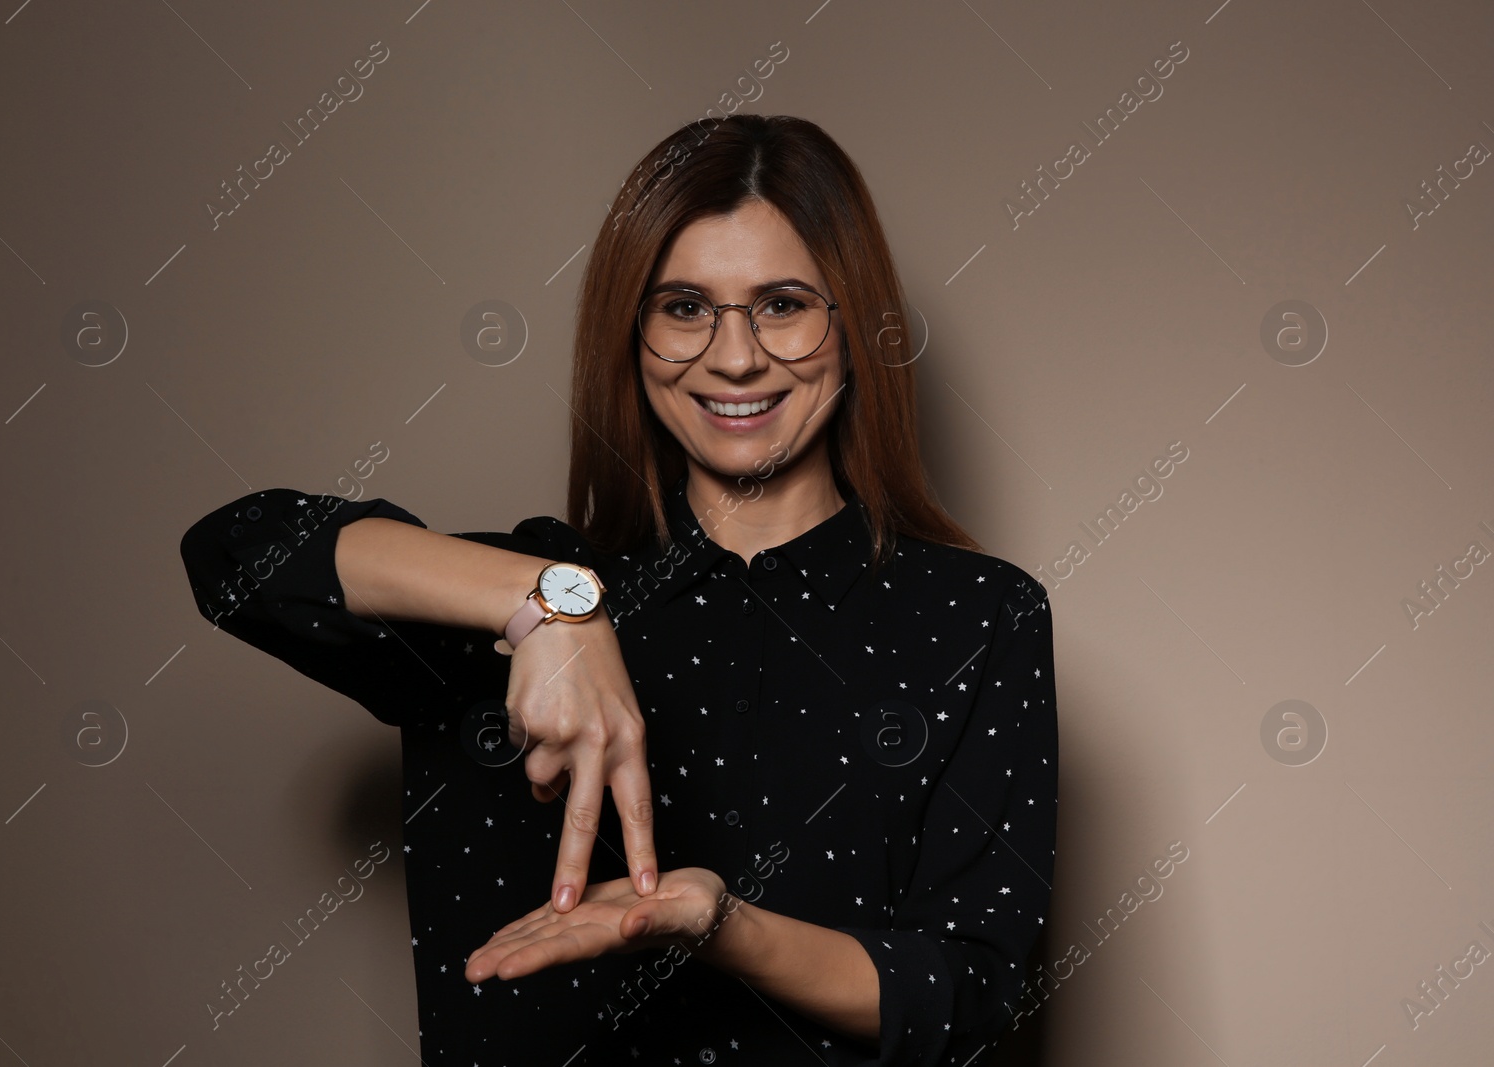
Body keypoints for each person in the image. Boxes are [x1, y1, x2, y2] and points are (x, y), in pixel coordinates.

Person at [178, 113, 1058, 1066]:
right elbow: (234, 556)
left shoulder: (982, 615)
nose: (734, 357)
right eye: (685, 307)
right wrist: (552, 603)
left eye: (782, 304)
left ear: (853, 326)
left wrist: (718, 925)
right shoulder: (508, 605)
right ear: (631, 336)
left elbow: (969, 992)